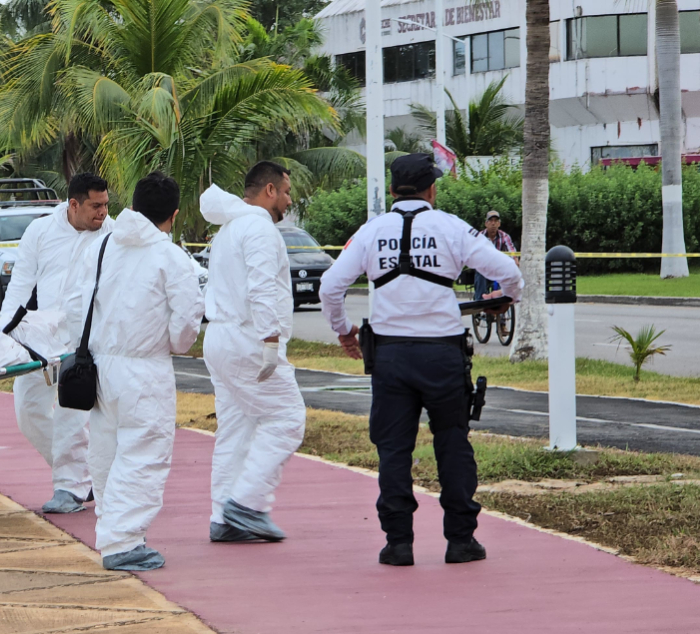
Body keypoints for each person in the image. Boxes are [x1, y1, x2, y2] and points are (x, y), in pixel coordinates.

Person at [318, 153, 524, 567]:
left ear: (393, 190)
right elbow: (508, 272)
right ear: (432, 189)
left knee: (393, 449)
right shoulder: (449, 226)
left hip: (390, 356)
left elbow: (330, 286)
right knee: (452, 441)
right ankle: (461, 540)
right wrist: (504, 301)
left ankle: (398, 543)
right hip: (442, 354)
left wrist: (343, 331)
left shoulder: (372, 230)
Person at [62, 172, 204, 571]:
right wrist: (174, 344)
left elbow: (75, 305)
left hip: (100, 367)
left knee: (105, 450)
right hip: (146, 369)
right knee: (144, 452)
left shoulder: (102, 246)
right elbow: (186, 326)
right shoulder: (172, 257)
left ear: (134, 205)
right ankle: (123, 541)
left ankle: (113, 531)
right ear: (173, 215)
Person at [198, 162, 305, 543]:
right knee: (288, 418)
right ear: (271, 190)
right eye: (287, 192)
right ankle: (247, 504)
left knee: (236, 429)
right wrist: (271, 342)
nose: (289, 201)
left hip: (221, 340)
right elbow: (261, 289)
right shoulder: (258, 226)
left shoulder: (230, 227)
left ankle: (223, 516)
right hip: (248, 340)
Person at [0, 173, 114, 514]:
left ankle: (70, 487)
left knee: (70, 414)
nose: (103, 213)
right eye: (96, 206)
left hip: (85, 341)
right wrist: (3, 333)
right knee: (28, 411)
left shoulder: (113, 234)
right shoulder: (41, 231)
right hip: (41, 337)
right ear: (73, 204)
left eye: (107, 204)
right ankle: (84, 473)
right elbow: (19, 285)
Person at [473, 210, 516, 299]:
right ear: (486, 223)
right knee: (479, 273)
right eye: (491, 221)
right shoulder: (479, 236)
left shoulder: (505, 236)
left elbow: (511, 251)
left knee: (506, 276)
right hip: (484, 268)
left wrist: (515, 260)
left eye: (496, 221)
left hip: (499, 268)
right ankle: (480, 301)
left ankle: (501, 299)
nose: (493, 224)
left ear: (499, 224)